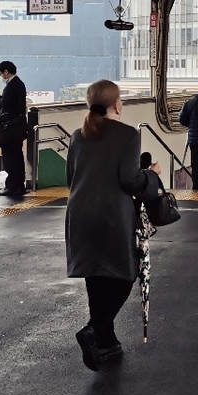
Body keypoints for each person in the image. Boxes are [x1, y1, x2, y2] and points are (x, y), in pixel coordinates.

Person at [65, 79, 153, 372]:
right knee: (126, 273)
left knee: (96, 275)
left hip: (79, 213)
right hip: (112, 214)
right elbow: (130, 180)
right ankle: (93, 329)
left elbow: (71, 178)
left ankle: (106, 341)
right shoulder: (128, 135)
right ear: (117, 104)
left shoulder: (79, 135)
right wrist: (150, 175)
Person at [0, 60, 28, 198]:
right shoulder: (20, 84)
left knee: (10, 158)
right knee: (17, 156)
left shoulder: (11, 86)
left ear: (6, 72)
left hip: (10, 129)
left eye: (1, 74)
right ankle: (20, 185)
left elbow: (5, 104)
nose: (1, 77)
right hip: (18, 127)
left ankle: (12, 186)